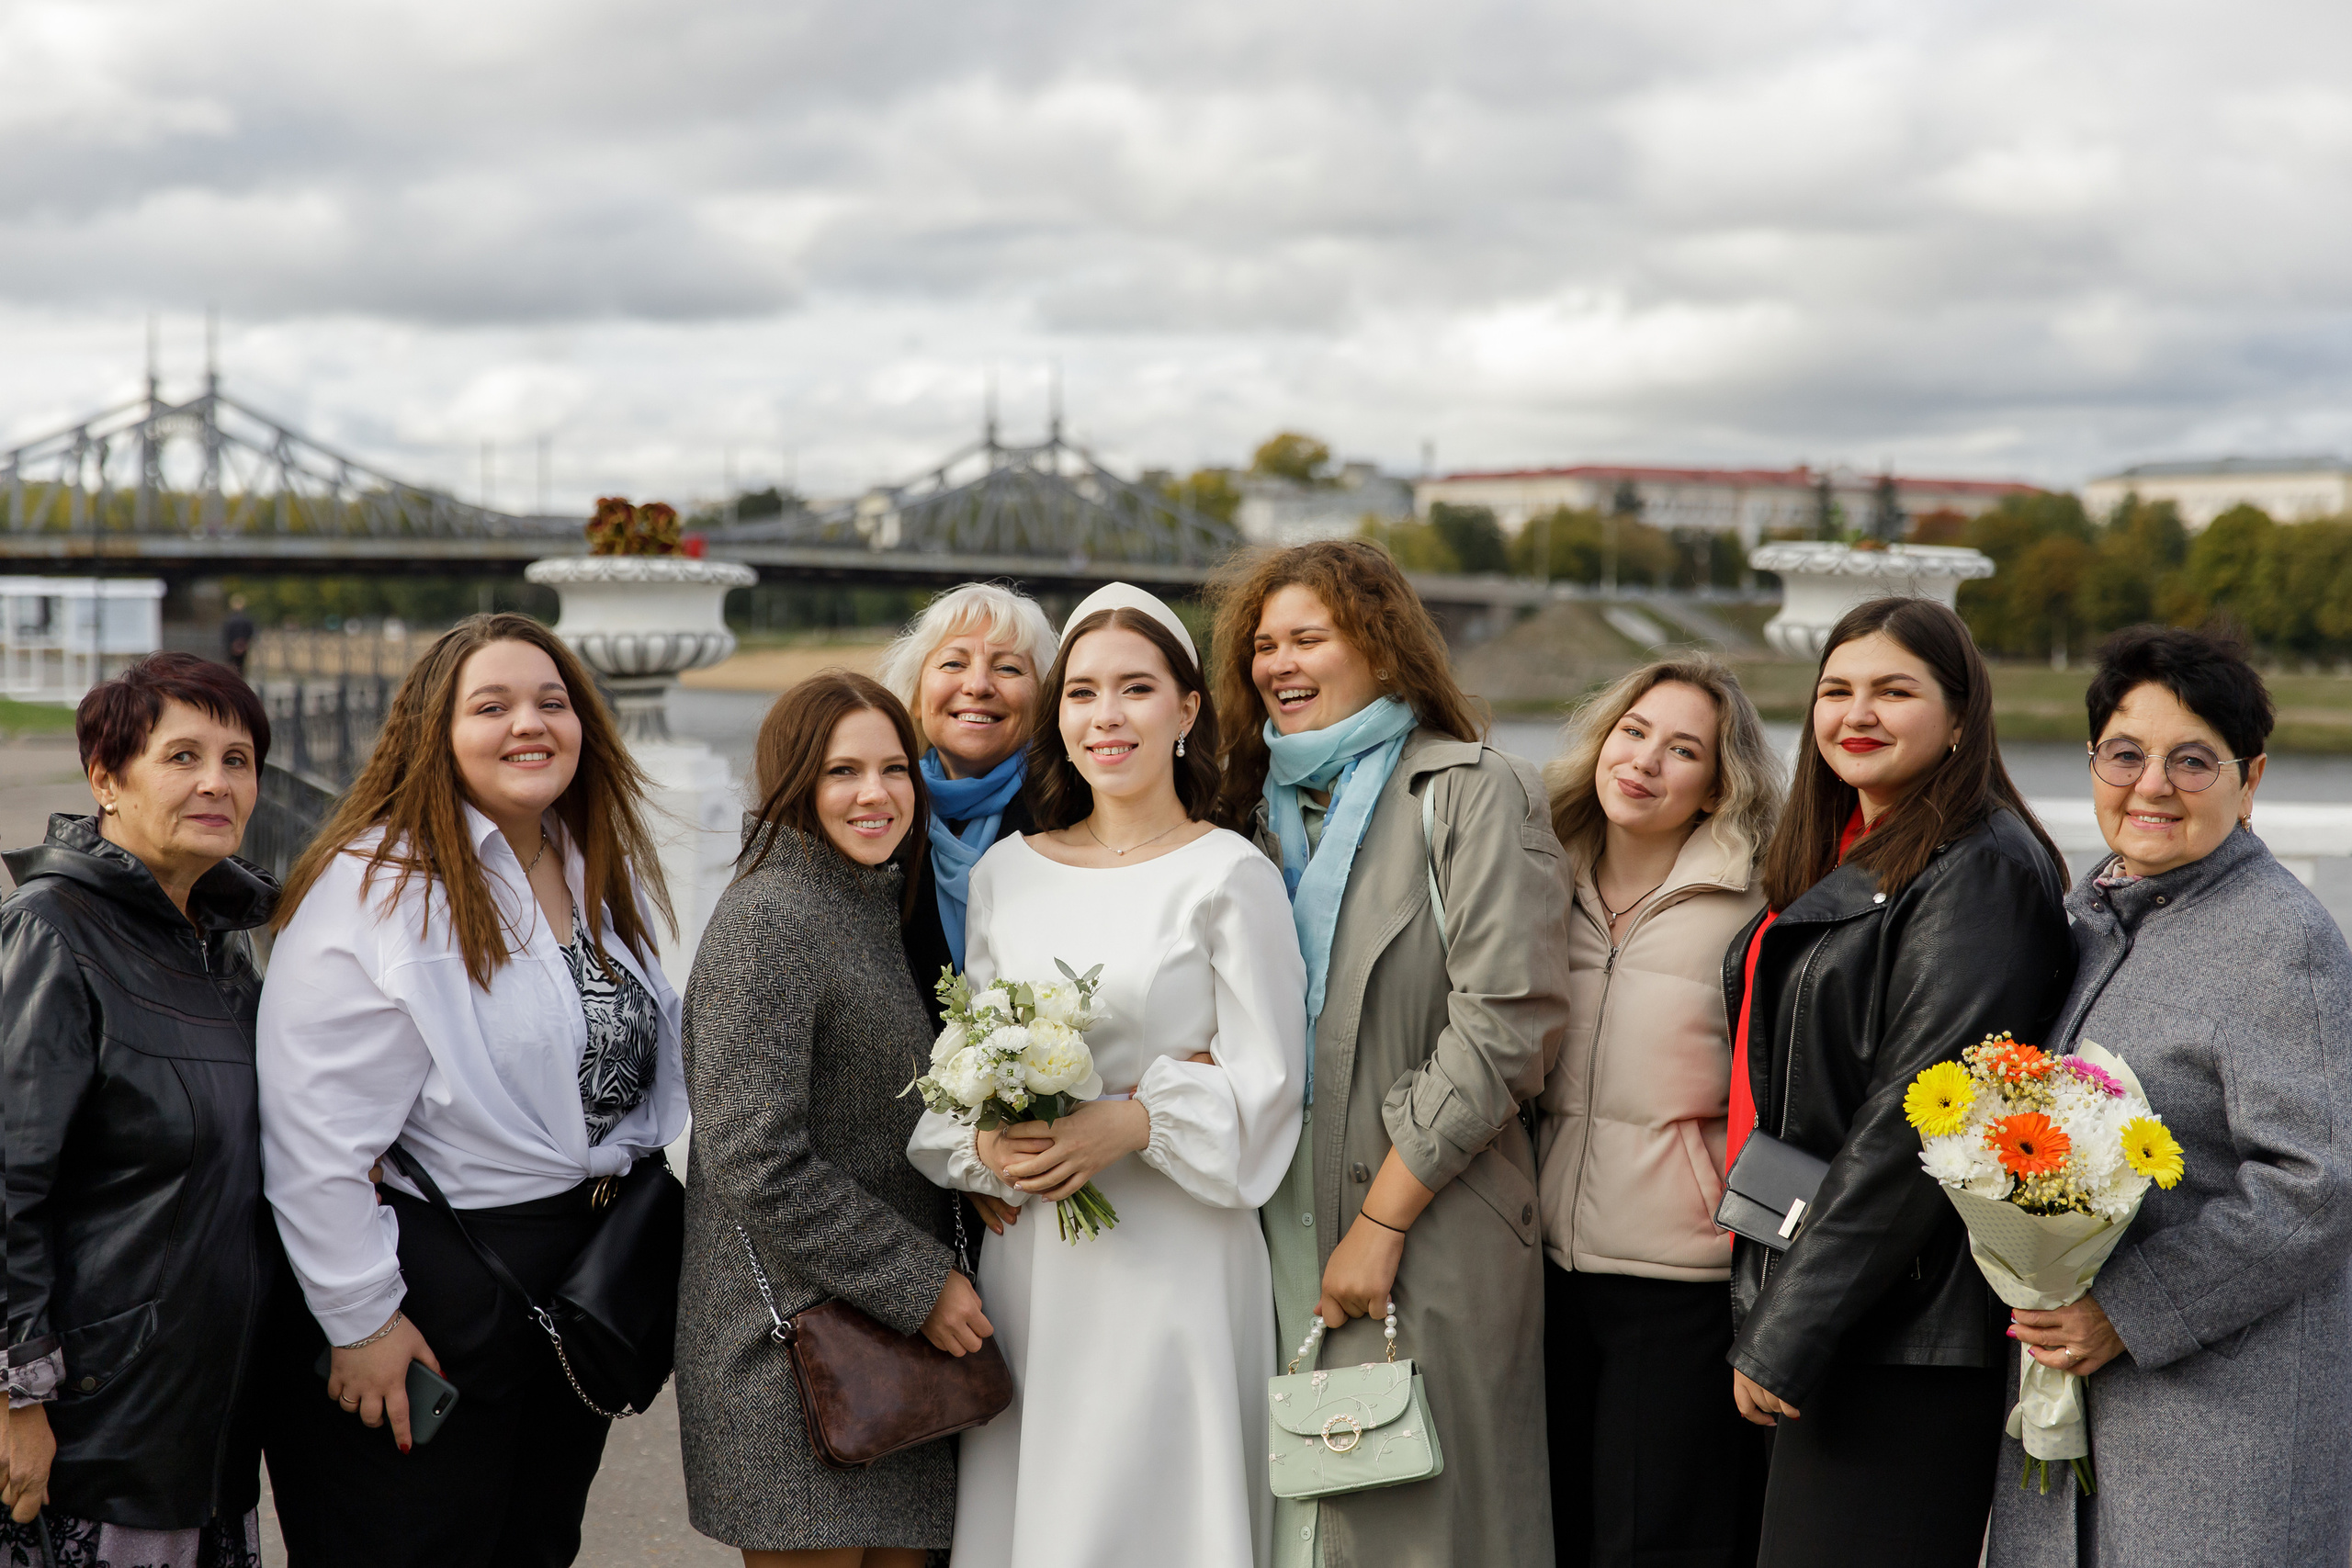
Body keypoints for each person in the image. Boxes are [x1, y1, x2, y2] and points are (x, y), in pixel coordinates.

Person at [256, 612, 686, 1567]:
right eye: (491, 706)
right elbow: (312, 1133)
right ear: (435, 733)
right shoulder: (381, 885)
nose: (529, 724)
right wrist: (362, 1320)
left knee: (536, 1545)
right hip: (436, 1289)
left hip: (576, 1284)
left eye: (551, 702)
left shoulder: (592, 864)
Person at [908, 582, 1306, 1568]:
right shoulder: (1008, 873)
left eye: (1136, 688)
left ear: (1186, 710)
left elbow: (1271, 1086)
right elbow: (961, 1063)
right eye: (1082, 692)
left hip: (1177, 1259)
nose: (1106, 716)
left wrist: (1133, 1122)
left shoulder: (1231, 874)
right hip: (1039, 1263)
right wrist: (986, 1145)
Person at [1207, 538, 1571, 1568]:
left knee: (1417, 1524)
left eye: (1309, 638)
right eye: (1263, 645)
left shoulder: (1472, 789)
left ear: (1381, 645)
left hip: (1426, 1212)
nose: (1280, 664)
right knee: (1292, 1519)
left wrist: (1380, 1220)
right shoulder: (1241, 810)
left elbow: (1507, 1026)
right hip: (1268, 1221)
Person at [1986, 626, 2352, 1568]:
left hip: (2217, 1425)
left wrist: (2128, 1310)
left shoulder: (2281, 941)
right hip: (2086, 1411)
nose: (2151, 785)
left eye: (2192, 761)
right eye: (2125, 754)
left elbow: (2320, 1183)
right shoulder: (2092, 914)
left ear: (2250, 779)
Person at [1725, 596, 2075, 1567]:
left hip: (1902, 1329)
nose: (1856, 713)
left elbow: (1914, 1123)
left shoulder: (1980, 869)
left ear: (1960, 717)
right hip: (1843, 1307)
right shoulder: (1853, 843)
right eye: (1835, 689)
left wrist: (1789, 1327)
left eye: (1893, 691)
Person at [675, 671, 979, 1568]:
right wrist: (921, 1284)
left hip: (884, 1355)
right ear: (793, 780)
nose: (874, 794)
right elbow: (755, 1157)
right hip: (793, 1362)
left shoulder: (863, 900)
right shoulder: (771, 916)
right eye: (842, 771)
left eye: (894, 769)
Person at [0, 653, 277, 1566]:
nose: (216, 783)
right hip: (96, 1436)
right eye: (182, 756)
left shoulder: (218, 948)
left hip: (206, 1431)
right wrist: (15, 1399)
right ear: (107, 779)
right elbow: (8, 1180)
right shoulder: (53, 930)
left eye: (237, 761)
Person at [1537, 654, 1781, 1567]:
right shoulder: (1534, 875)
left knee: (1654, 1539)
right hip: (1540, 1273)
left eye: (1681, 749)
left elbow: (1784, 1097)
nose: (1643, 760)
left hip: (1679, 1283)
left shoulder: (1757, 904)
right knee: (1553, 1530)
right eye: (1633, 732)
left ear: (1716, 787)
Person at [877, 582, 1057, 1012]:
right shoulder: (880, 817)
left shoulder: (1071, 814)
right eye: (954, 663)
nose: (978, 685)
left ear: (1043, 702)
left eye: (1008, 668)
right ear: (916, 696)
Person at [222, 594, 256, 678]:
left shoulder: (229, 619)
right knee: (241, 667)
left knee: (231, 666)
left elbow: (226, 634)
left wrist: (231, 644)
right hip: (243, 646)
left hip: (232, 647)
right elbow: (251, 633)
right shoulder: (247, 619)